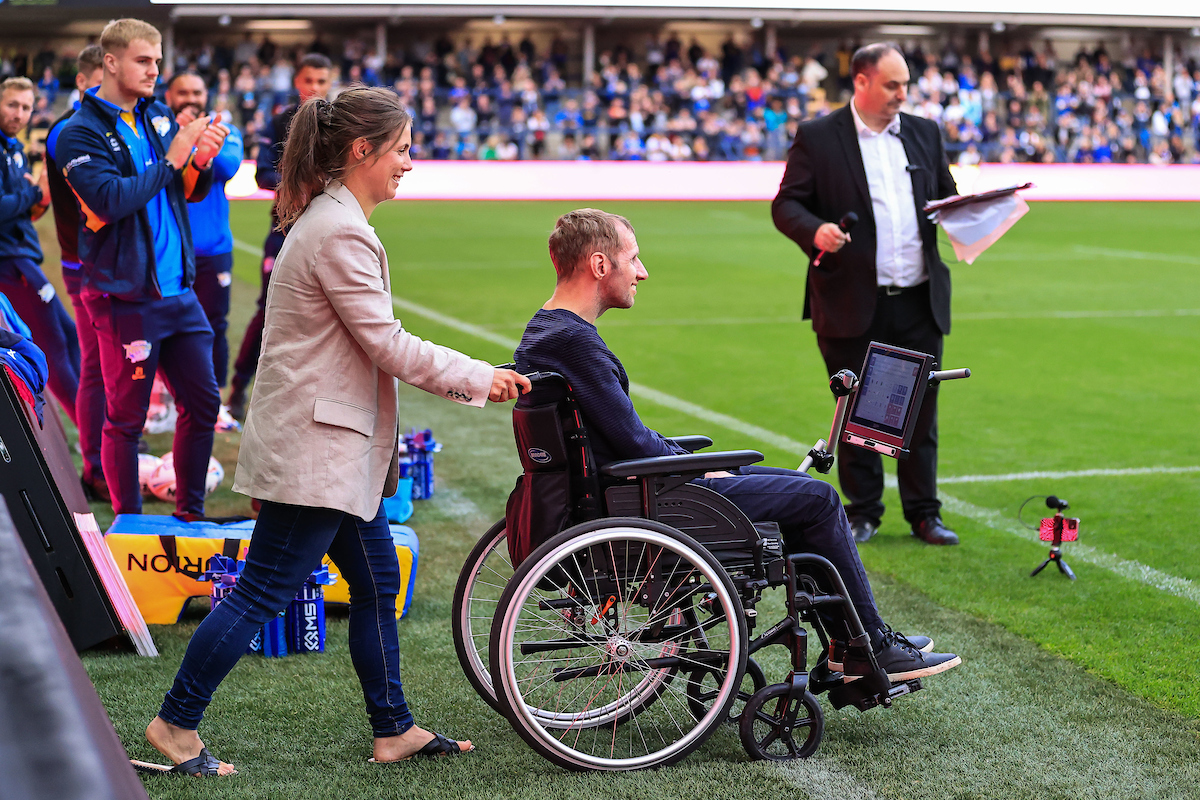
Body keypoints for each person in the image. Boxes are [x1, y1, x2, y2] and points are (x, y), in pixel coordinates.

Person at [143, 86, 531, 777]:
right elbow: (387, 343)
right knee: (263, 590)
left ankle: (394, 729)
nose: (409, 164)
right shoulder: (339, 229)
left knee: (378, 581)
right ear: (362, 152)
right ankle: (176, 723)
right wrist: (480, 376)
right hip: (318, 453)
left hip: (331, 451)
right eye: (402, 150)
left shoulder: (331, 220)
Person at [514, 208, 961, 688]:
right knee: (820, 499)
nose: (642, 272)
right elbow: (634, 441)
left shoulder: (546, 332)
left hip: (623, 489)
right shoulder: (573, 342)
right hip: (640, 500)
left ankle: (847, 645)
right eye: (634, 259)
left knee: (794, 485)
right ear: (600, 266)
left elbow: (627, 437)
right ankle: (865, 646)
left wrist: (692, 467)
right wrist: (697, 472)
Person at [772, 42, 960, 546]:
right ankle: (862, 511)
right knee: (855, 407)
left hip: (919, 296)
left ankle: (925, 513)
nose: (903, 94)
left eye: (906, 85)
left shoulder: (923, 132)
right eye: (892, 85)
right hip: (850, 298)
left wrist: (976, 215)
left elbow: (947, 198)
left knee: (921, 409)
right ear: (861, 82)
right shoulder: (818, 136)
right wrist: (815, 231)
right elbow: (786, 204)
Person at [56, 18, 229, 518]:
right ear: (110, 63)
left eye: (157, 61)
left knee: (202, 406)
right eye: (143, 60)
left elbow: (183, 191)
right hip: (126, 297)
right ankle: (128, 527)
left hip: (179, 291)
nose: (155, 70)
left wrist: (197, 163)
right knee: (126, 421)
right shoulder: (77, 132)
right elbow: (109, 200)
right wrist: (175, 161)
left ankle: (189, 518)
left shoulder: (155, 116)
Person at [226, 52, 332, 420]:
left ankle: (309, 396)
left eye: (321, 81)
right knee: (268, 311)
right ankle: (239, 388)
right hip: (284, 231)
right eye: (309, 81)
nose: (314, 88)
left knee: (325, 317)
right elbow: (261, 177)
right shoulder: (281, 123)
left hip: (328, 233)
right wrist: (300, 185)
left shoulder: (341, 125)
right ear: (297, 82)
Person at [0, 76, 82, 426]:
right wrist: (34, 195)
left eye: (26, 107)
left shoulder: (13, 148)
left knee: (70, 336)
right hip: (9, 261)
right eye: (12, 105)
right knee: (54, 344)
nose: (19, 113)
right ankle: (93, 435)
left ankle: (96, 426)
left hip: (21, 255)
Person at [45, 45, 107, 500]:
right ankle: (94, 464)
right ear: (85, 82)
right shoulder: (67, 132)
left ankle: (107, 448)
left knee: (104, 363)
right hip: (83, 264)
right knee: (93, 364)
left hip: (109, 264)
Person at [164, 71, 244, 410]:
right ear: (169, 96)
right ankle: (167, 400)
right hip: (169, 249)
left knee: (214, 325)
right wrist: (180, 136)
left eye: (197, 91)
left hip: (213, 250)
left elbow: (227, 166)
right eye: (182, 92)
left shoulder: (226, 130)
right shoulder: (158, 131)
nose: (191, 98)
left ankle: (216, 403)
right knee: (165, 326)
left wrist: (192, 138)